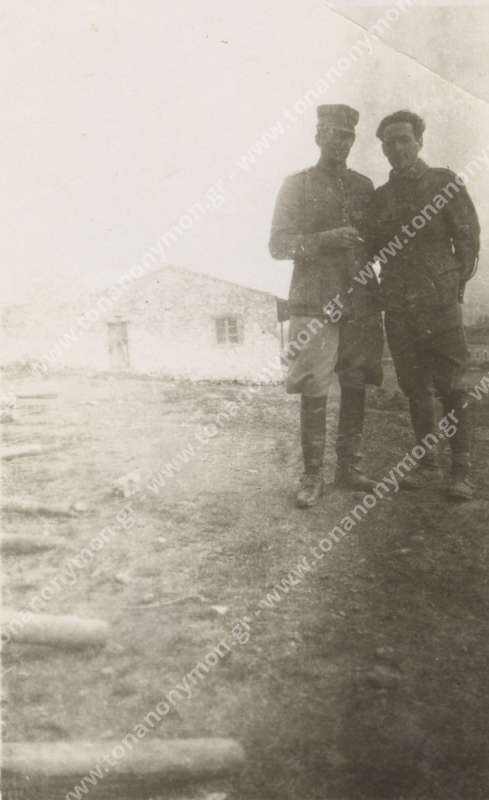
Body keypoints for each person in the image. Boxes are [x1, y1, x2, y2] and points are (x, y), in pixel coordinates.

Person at [269, 104, 383, 508]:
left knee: (355, 382)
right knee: (315, 386)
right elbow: (278, 245)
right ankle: (312, 475)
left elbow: (377, 241)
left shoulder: (364, 186)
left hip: (359, 300)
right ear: (318, 136)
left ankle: (348, 468)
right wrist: (325, 238)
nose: (340, 142)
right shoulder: (296, 185)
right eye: (332, 134)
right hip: (314, 299)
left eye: (347, 135)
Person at [369, 109, 480, 500]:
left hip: (440, 306)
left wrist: (451, 287)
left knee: (453, 387)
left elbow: (468, 242)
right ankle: (427, 464)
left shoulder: (444, 183)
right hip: (399, 308)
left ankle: (461, 471)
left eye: (404, 139)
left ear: (419, 142)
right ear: (383, 149)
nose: (397, 148)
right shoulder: (381, 198)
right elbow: (373, 251)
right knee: (414, 387)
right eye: (389, 143)